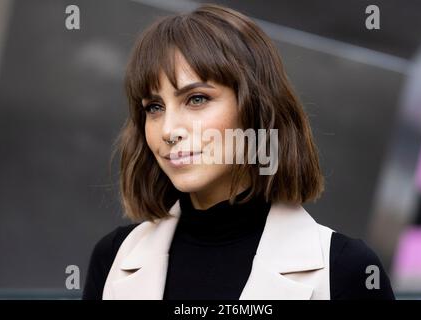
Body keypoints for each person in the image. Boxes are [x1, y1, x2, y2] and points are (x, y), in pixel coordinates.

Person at [83, 3, 395, 300]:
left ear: (255, 108)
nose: (168, 130)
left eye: (196, 99)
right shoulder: (113, 257)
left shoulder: (345, 270)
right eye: (154, 107)